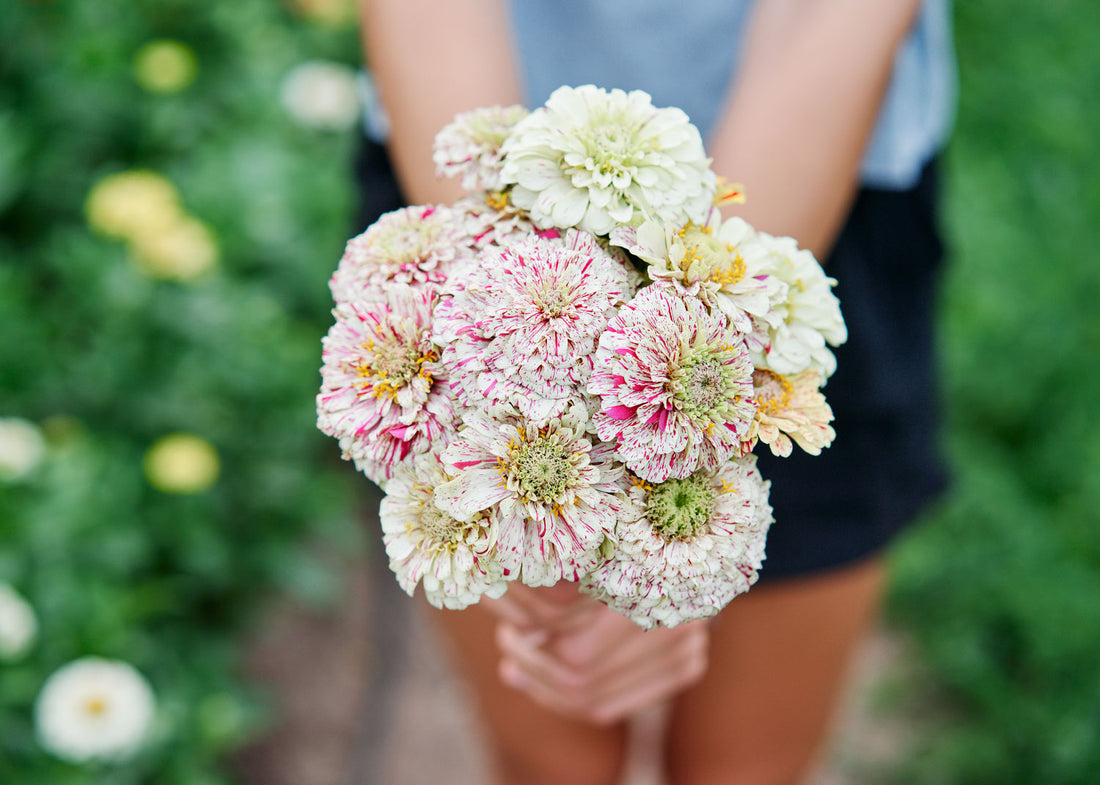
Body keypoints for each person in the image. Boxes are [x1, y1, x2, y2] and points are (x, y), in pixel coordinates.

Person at [353, 1, 954, 783]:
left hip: (808, 179)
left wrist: (653, 511)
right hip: (470, 169)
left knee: (745, 767)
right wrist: (519, 466)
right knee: (551, 760)